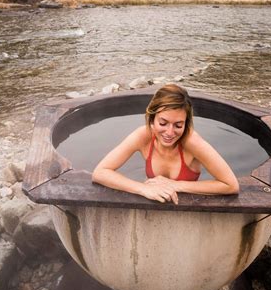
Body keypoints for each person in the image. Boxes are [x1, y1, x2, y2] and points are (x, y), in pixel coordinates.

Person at [92, 84, 239, 204]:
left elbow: (230, 185)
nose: (170, 132)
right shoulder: (143, 135)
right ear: (152, 119)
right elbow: (100, 172)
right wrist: (142, 188)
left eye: (178, 125)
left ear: (186, 124)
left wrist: (175, 185)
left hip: (189, 211)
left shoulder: (192, 142)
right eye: (163, 123)